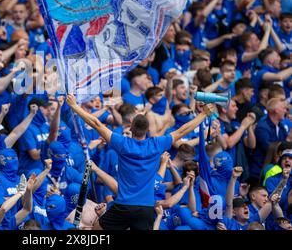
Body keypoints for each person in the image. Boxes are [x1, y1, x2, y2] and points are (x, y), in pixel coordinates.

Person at [66, 94, 215, 230]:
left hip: (123, 206)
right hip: (146, 209)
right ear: (147, 129)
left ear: (131, 127)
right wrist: (203, 114)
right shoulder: (157, 144)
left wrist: (74, 106)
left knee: (97, 228)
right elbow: (183, 130)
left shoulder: (122, 143)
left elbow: (97, 124)